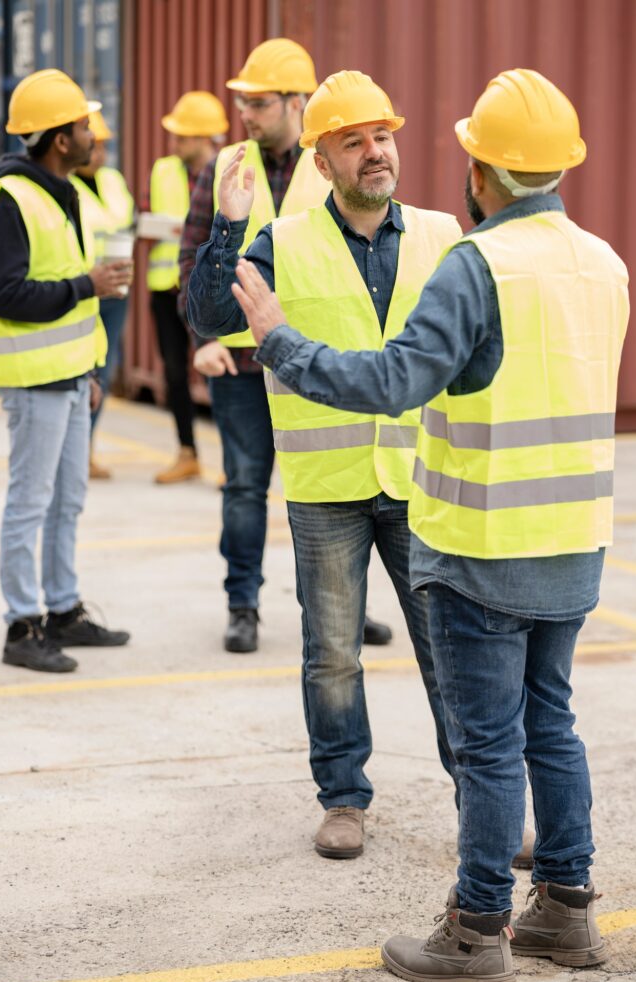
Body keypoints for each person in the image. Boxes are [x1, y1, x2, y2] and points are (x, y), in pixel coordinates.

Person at [231, 68, 630, 982]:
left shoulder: (474, 263)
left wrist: (280, 341)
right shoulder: (601, 261)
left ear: (482, 170)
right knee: (551, 728)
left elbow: (388, 384)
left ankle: (476, 929)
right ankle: (566, 911)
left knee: (488, 746)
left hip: (482, 544)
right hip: (574, 539)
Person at [188, 69, 465, 860]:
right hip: (325, 489)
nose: (375, 152)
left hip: (423, 481)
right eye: (354, 142)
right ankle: (343, 797)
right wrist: (228, 228)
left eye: (382, 136)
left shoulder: (445, 235)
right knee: (332, 655)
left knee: (450, 654)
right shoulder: (283, 241)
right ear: (323, 162)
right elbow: (209, 316)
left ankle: (480, 794)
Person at [180, 39, 392, 653]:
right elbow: (191, 262)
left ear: (298, 102)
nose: (246, 112)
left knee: (337, 490)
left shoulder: (330, 165)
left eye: (261, 102)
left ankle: (347, 606)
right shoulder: (224, 165)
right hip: (240, 363)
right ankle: (242, 605)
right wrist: (203, 339)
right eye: (243, 101)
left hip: (311, 363)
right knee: (245, 487)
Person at [0, 69, 133, 673]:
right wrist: (88, 284)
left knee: (68, 498)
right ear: (58, 138)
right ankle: (22, 626)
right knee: (31, 501)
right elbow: (4, 294)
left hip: (71, 376)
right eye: (82, 126)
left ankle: (63, 610)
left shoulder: (64, 190)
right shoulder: (11, 199)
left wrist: (91, 369)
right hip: (33, 380)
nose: (91, 135)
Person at [147, 90, 228, 484]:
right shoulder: (163, 169)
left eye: (182, 136)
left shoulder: (230, 168)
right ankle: (187, 453)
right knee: (175, 375)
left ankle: (235, 463)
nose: (174, 143)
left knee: (219, 372)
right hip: (165, 286)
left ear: (202, 138)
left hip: (210, 287)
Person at [71, 108, 135, 479]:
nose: (100, 154)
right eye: (95, 145)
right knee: (83, 370)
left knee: (104, 372)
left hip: (115, 293)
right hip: (83, 292)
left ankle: (87, 448)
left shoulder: (113, 181)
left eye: (105, 147)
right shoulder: (65, 186)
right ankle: (76, 450)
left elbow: (124, 220)